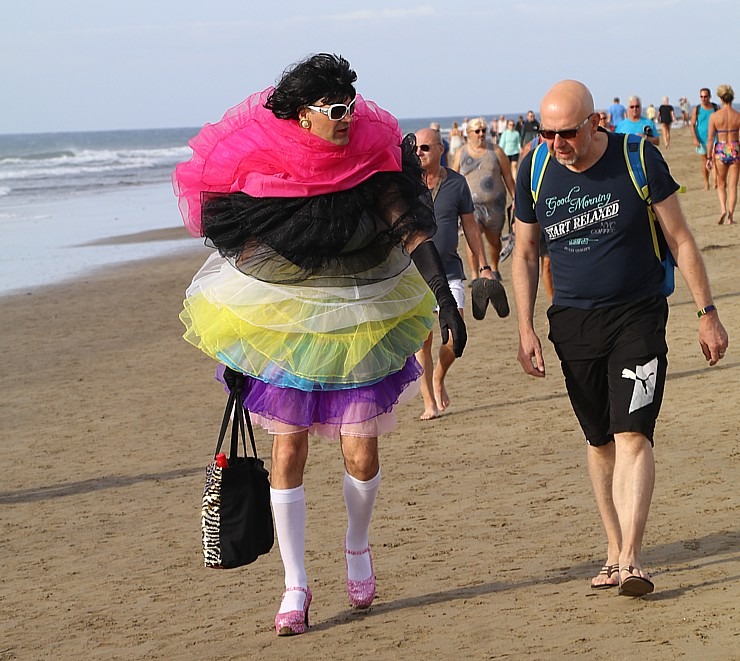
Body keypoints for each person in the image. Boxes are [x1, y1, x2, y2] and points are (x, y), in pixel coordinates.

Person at [173, 53, 466, 636]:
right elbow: (244, 259)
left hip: (360, 322)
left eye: (351, 107)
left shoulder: (369, 161)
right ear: (303, 115)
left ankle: (357, 546)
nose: (346, 118)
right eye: (335, 109)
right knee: (288, 454)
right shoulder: (270, 167)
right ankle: (295, 584)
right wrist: (240, 349)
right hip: (291, 331)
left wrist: (445, 296)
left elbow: (409, 228)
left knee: (361, 452)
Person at [512, 79, 728, 598]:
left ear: (594, 123)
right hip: (573, 322)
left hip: (638, 315)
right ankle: (612, 550)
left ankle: (632, 557)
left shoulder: (638, 158)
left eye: (566, 133)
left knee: (633, 431)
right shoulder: (535, 168)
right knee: (599, 438)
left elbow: (679, 238)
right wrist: (525, 327)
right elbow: (523, 253)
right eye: (547, 133)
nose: (556, 143)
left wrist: (707, 312)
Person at [413, 128, 498, 420]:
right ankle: (428, 401)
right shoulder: (407, 185)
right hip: (415, 275)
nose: (419, 153)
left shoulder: (457, 184)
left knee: (455, 336)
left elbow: (471, 227)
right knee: (423, 340)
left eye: (425, 148)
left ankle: (439, 376)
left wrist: (484, 265)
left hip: (449, 270)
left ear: (440, 149)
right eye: (415, 148)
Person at [451, 117, 516, 282]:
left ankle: (494, 268)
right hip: (470, 207)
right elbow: (453, 178)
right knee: (473, 238)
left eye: (484, 131)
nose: (481, 134)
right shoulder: (461, 153)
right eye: (477, 131)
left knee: (494, 241)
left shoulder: (496, 151)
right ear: (469, 133)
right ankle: (475, 274)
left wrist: (516, 198)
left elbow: (508, 177)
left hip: (495, 206)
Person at [706, 84, 740, 224]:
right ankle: (731, 216)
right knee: (733, 186)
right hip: (734, 147)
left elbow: (710, 139)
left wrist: (708, 157)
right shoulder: (737, 116)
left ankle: (722, 209)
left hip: (721, 148)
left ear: (720, 98)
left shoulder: (715, 116)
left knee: (721, 184)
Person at [691, 88, 719, 190]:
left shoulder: (716, 108)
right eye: (701, 97)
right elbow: (693, 125)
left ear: (710, 97)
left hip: (714, 138)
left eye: (705, 97)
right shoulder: (697, 109)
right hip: (701, 139)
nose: (703, 99)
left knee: (714, 159)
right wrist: (695, 138)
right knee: (705, 161)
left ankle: (715, 182)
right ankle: (706, 182)